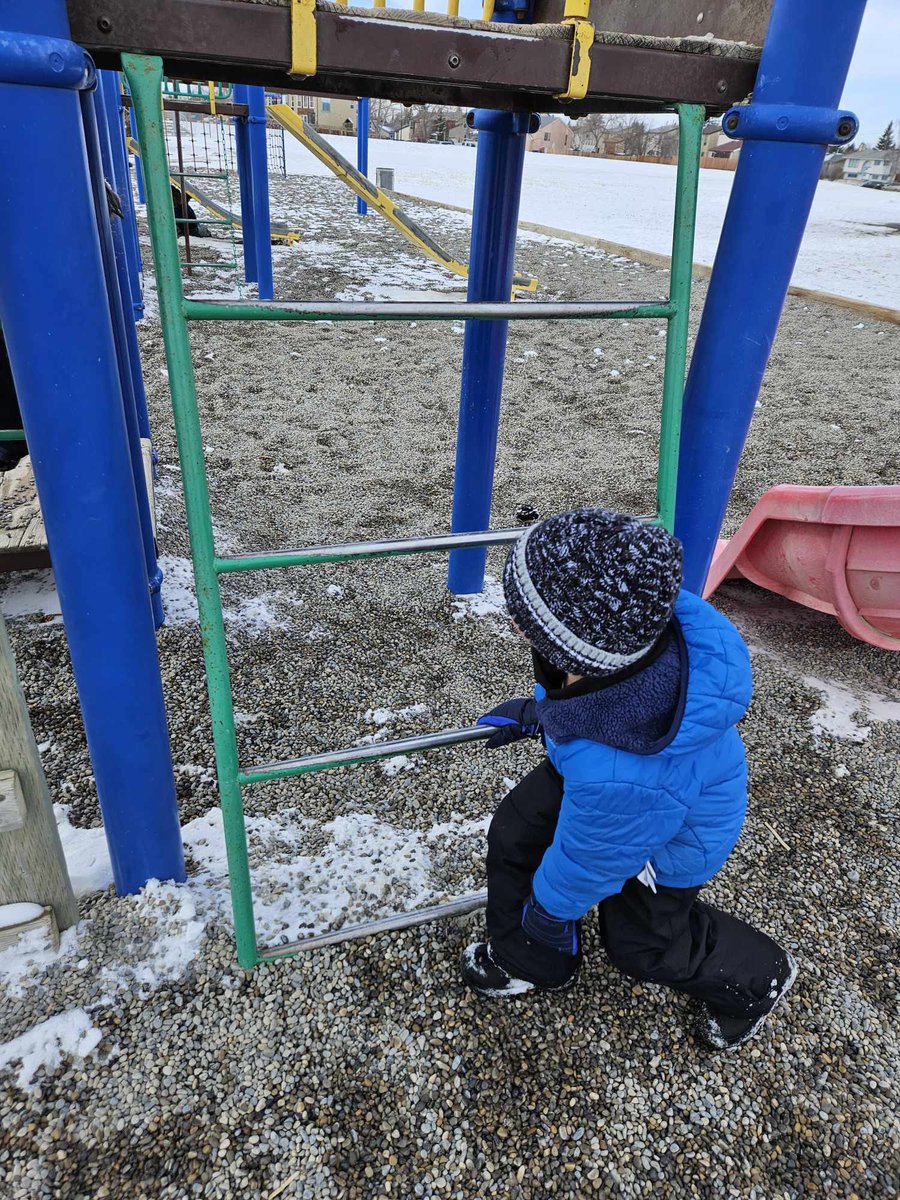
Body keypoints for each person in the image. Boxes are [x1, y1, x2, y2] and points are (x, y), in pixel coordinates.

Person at [462, 507, 796, 1052]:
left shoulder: (623, 773)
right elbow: (592, 701)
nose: (514, 620)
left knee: (641, 945)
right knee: (519, 830)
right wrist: (541, 714)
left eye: (523, 615)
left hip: (663, 839)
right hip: (605, 775)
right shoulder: (621, 646)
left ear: (571, 645)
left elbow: (596, 854)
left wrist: (551, 912)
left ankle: (758, 974)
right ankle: (533, 957)